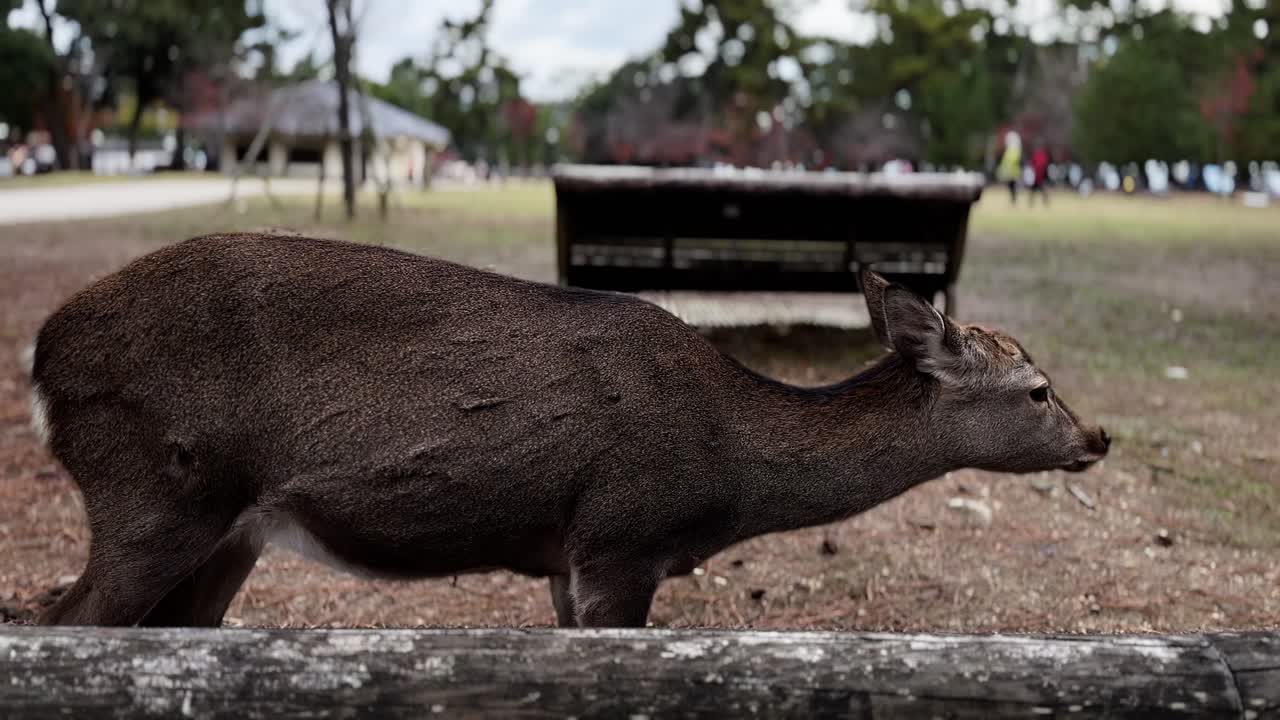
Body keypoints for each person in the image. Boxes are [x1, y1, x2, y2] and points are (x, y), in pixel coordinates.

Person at [997, 131, 1022, 205]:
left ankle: (1014, 201)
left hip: (1012, 173)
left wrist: (1006, 169)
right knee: (1011, 188)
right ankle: (1013, 200)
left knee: (1012, 188)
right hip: (1010, 173)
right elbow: (1005, 161)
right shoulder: (1011, 150)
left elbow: (1011, 161)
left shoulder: (1014, 150)